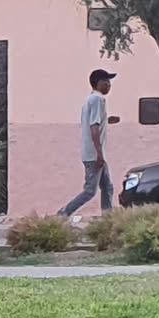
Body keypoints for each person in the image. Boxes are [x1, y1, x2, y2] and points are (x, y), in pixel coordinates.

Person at [58, 69, 121, 216]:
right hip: (94, 155)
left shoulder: (90, 100)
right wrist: (98, 154)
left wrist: (107, 120)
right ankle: (63, 213)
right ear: (97, 83)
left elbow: (93, 122)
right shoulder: (98, 99)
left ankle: (108, 218)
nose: (109, 84)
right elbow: (94, 128)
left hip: (94, 154)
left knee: (107, 187)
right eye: (106, 81)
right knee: (89, 191)